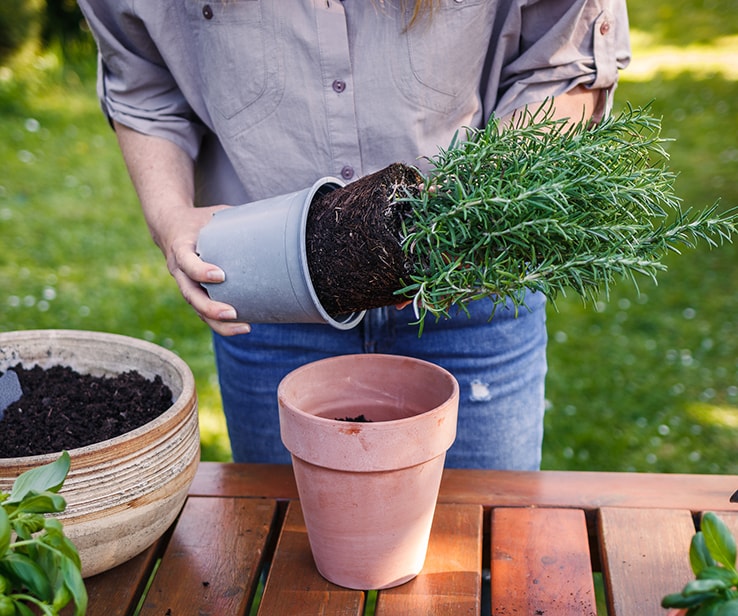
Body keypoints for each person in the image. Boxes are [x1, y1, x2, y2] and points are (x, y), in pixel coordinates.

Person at [77, 0, 630, 469]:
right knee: (291, 556)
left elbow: (560, 58)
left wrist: (475, 203)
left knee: (483, 554)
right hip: (269, 287)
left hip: (468, 289)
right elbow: (144, 81)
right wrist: (170, 216)